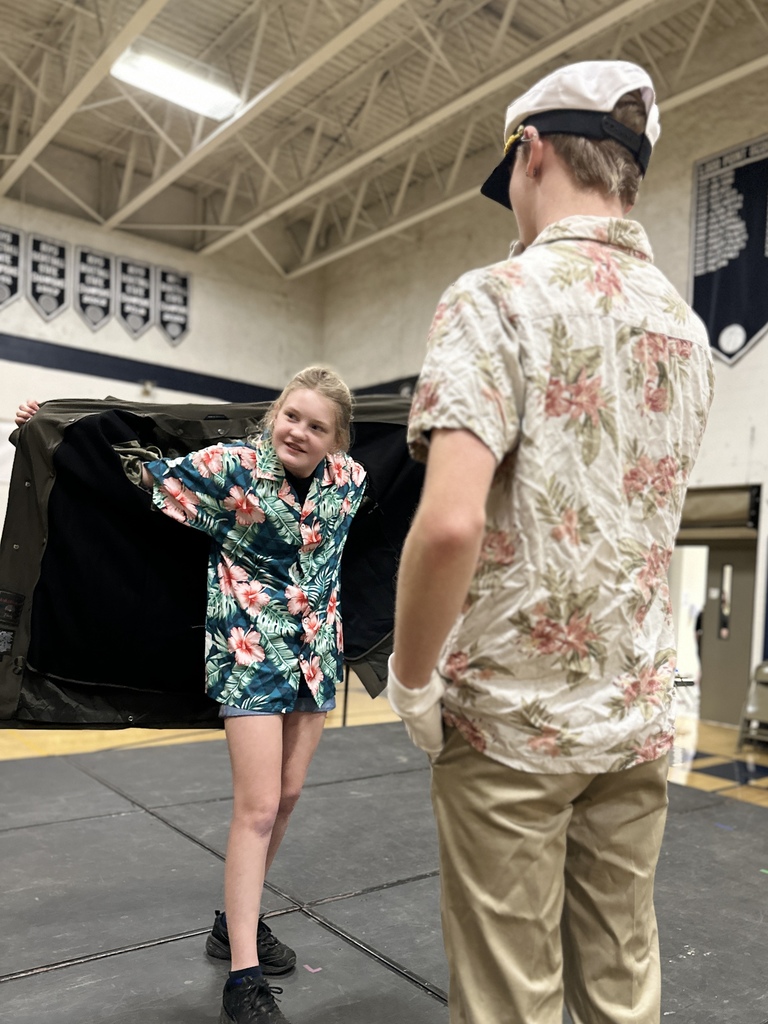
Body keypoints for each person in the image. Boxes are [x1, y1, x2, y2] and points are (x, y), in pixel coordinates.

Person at [387, 61, 714, 1024]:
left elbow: (449, 522)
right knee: (622, 982)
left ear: (530, 153)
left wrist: (413, 683)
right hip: (640, 716)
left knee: (510, 1000)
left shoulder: (494, 298)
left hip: (513, 727)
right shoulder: (686, 329)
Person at [16, 367, 367, 1024]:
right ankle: (243, 979)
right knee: (257, 808)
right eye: (292, 415)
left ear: (336, 439)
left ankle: (233, 922)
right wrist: (46, 433)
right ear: (276, 415)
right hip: (248, 654)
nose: (299, 431)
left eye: (317, 425)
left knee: (286, 800)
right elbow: (140, 480)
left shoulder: (352, 481)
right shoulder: (232, 464)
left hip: (316, 659)